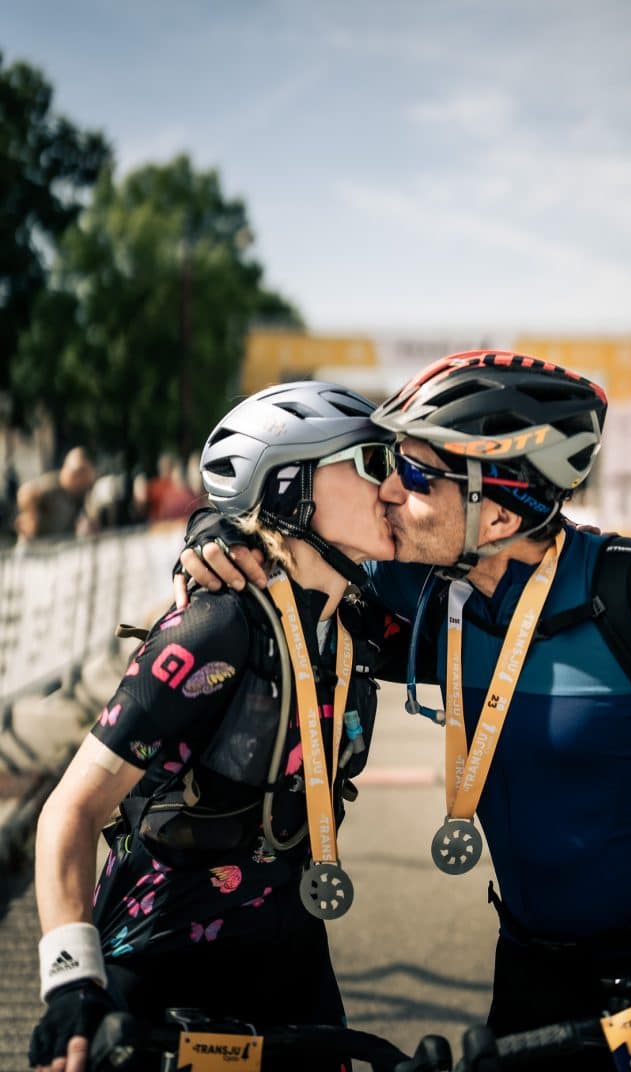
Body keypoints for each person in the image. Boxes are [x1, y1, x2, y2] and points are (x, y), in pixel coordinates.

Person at [176, 350, 631, 1068]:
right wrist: (212, 532)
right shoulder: (422, 585)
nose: (390, 492)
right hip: (534, 972)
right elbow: (292, 535)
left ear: (495, 510)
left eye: (419, 476)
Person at [28, 381, 408, 1072]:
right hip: (160, 967)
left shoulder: (360, 621)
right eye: (373, 461)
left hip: (293, 965)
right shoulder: (216, 624)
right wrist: (69, 984)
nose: (394, 484)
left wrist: (205, 526)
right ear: (292, 487)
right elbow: (72, 809)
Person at [14, 446, 97, 541]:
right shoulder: (51, 485)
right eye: (77, 473)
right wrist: (31, 515)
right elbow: (26, 491)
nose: (80, 479)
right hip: (38, 547)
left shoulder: (79, 493)